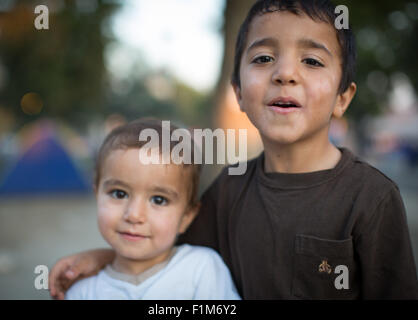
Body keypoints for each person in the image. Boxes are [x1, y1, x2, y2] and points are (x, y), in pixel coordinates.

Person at [50, 0, 418, 299]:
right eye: (263, 58)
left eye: (312, 60)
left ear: (342, 97)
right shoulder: (230, 188)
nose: (285, 73)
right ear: (239, 92)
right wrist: (102, 259)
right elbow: (163, 248)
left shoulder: (372, 198)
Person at [63, 119, 240, 299]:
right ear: (97, 195)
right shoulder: (81, 291)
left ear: (186, 217)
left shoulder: (202, 270)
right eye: (119, 194)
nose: (134, 215)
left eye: (158, 200)